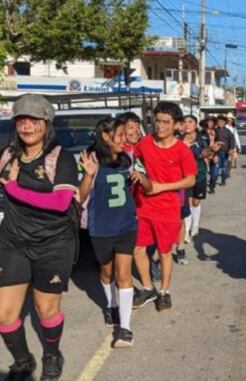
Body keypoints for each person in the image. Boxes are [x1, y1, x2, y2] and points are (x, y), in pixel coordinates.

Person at [0, 94, 80, 380]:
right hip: (14, 244)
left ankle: (52, 354)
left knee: (46, 310)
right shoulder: (6, 156)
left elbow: (60, 203)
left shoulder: (61, 158)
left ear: (46, 123)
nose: (27, 125)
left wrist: (14, 190)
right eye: (22, 119)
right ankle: (23, 361)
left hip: (53, 244)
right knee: (5, 314)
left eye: (34, 120)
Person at [79, 117, 144, 348]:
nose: (125, 138)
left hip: (126, 225)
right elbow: (80, 196)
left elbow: (140, 183)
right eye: (120, 134)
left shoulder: (127, 158)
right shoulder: (91, 158)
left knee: (124, 274)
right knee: (107, 272)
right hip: (101, 228)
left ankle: (125, 329)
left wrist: (140, 177)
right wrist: (88, 174)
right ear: (106, 137)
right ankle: (111, 305)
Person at [131, 102, 197, 312]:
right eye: (157, 121)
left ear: (176, 125)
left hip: (168, 209)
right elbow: (134, 162)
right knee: (138, 249)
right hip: (143, 207)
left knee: (164, 252)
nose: (159, 126)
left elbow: (190, 180)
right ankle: (148, 287)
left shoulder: (182, 151)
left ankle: (164, 292)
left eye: (165, 122)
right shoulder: (145, 143)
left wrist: (162, 187)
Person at [182, 115, 211, 246]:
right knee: (186, 203)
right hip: (184, 176)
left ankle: (196, 224)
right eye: (184, 122)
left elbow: (204, 154)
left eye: (190, 122)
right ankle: (186, 232)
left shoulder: (202, 139)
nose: (187, 125)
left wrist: (209, 153)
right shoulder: (177, 139)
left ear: (196, 125)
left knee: (195, 202)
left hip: (199, 174)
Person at [208, 115, 235, 190]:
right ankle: (212, 186)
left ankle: (223, 180)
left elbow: (232, 141)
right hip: (216, 153)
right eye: (219, 121)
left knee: (224, 169)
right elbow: (211, 140)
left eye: (222, 121)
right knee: (215, 170)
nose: (220, 123)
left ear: (225, 123)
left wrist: (231, 149)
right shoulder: (215, 131)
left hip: (226, 153)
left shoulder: (228, 131)